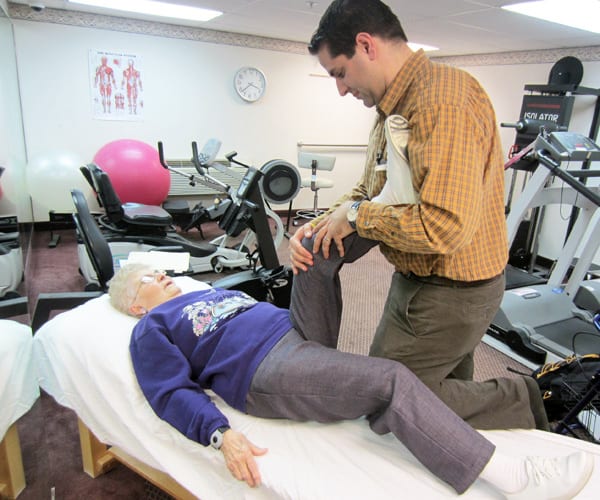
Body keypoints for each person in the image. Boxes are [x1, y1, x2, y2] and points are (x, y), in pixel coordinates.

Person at [107, 263, 594, 498]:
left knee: (315, 248)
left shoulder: (204, 293)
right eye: (150, 276)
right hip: (265, 369)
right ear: (136, 303)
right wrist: (220, 434)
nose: (163, 274)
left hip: (295, 333)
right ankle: (516, 479)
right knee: (390, 380)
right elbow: (169, 392)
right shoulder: (151, 329)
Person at [289, 0, 542, 430]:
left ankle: (530, 399)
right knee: (440, 399)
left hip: (453, 290)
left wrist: (357, 217)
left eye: (339, 73)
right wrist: (315, 226)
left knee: (386, 399)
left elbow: (442, 228)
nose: (341, 90)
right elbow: (371, 191)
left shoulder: (442, 103)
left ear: (365, 45)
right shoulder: (394, 106)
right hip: (416, 279)